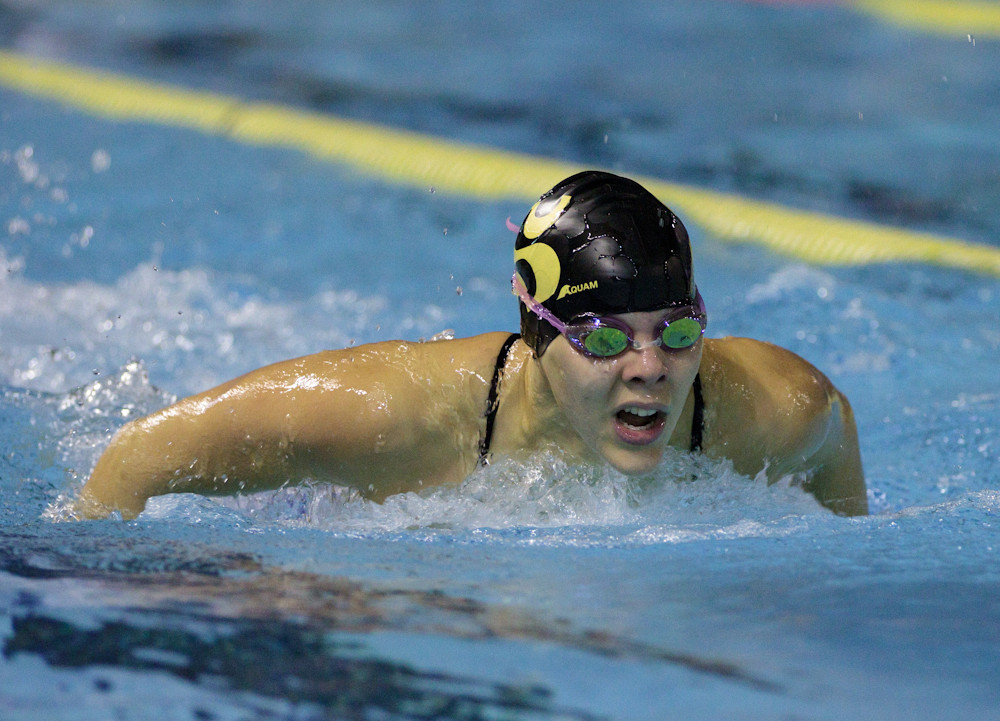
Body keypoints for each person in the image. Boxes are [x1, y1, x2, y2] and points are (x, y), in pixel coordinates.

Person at [76, 171, 868, 519]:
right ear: (536, 331)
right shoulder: (391, 417)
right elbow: (135, 460)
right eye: (602, 340)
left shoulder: (766, 408)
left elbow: (836, 434)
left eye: (679, 332)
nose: (652, 369)